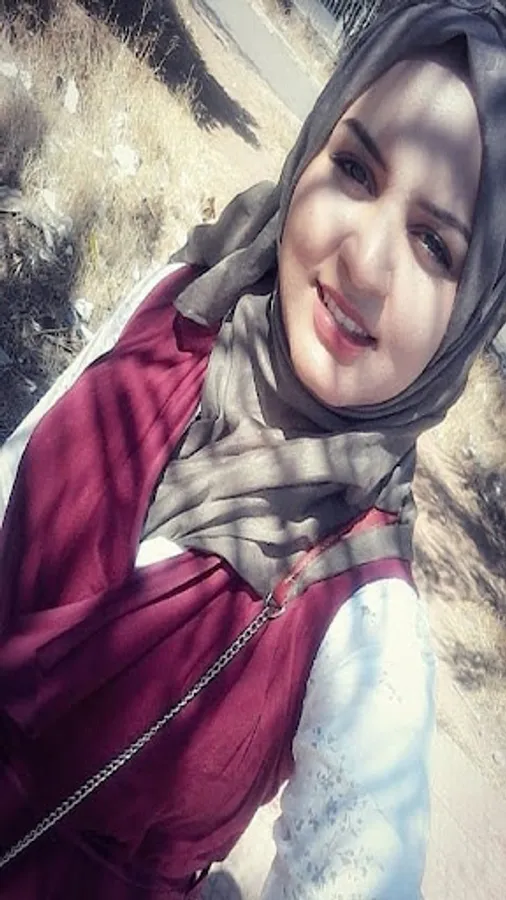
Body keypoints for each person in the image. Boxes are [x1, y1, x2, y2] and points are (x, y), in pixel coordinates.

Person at [0, 0, 505, 896]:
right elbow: (21, 460)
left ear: (470, 316)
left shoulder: (370, 628)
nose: (364, 263)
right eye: (355, 169)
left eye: (434, 243)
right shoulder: (189, 299)